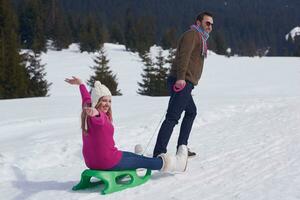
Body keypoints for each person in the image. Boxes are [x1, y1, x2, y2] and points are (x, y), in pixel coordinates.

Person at [65, 76, 188, 172]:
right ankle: (176, 164)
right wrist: (96, 112)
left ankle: (137, 159)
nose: (107, 104)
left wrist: (81, 84)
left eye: (109, 101)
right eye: (103, 100)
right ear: (96, 101)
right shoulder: (98, 116)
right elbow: (99, 118)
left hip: (91, 162)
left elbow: (86, 97)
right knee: (144, 162)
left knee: (129, 155)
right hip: (107, 161)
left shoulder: (86, 109)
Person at [153, 11, 214, 157]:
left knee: (191, 111)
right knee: (172, 117)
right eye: (207, 23)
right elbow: (183, 56)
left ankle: (182, 147)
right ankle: (159, 152)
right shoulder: (192, 35)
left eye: (211, 24)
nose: (210, 26)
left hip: (187, 82)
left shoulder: (201, 38)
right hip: (181, 81)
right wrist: (181, 78)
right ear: (198, 22)